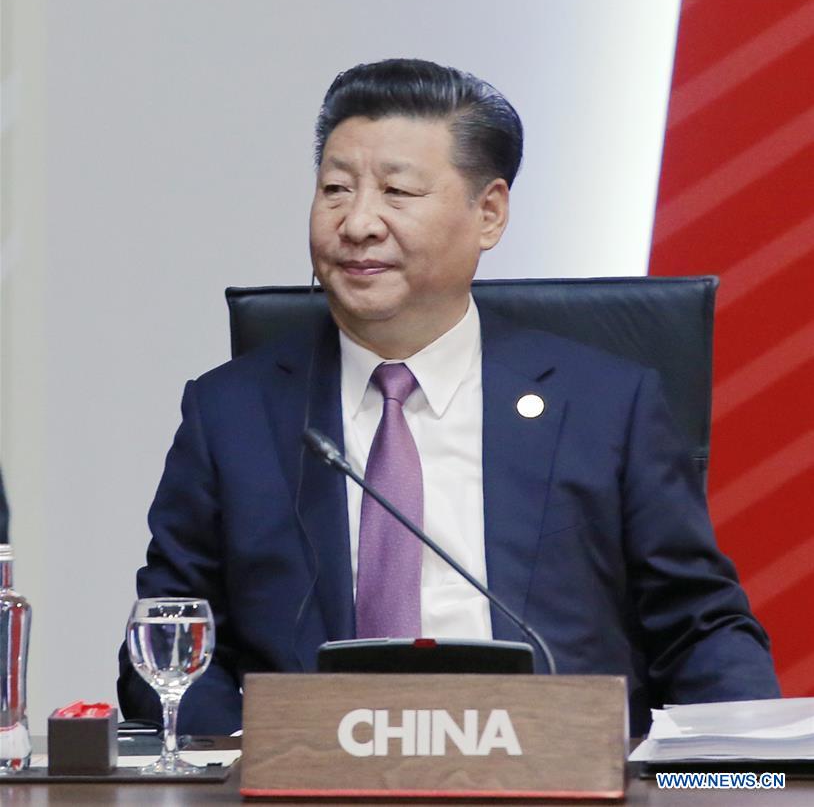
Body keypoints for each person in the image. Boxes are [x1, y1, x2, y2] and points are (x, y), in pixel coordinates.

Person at [118, 59, 780, 736]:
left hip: (555, 770)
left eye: (397, 191)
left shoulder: (606, 406)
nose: (358, 223)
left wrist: (745, 773)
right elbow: (166, 650)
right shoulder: (231, 415)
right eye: (336, 189)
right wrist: (252, 760)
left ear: (488, 213)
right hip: (310, 776)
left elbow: (700, 629)